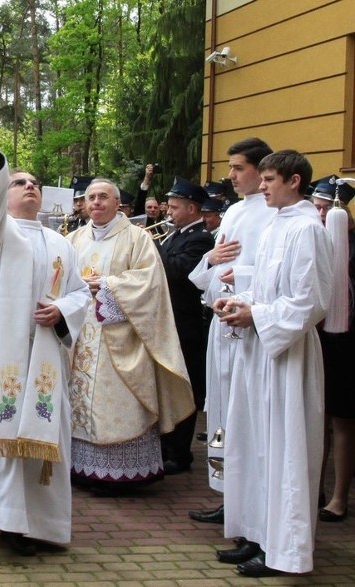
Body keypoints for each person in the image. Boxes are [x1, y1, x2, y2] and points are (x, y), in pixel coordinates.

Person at [0, 99, 90, 555]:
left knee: (42, 432)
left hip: (43, 351)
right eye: (20, 182)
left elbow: (81, 292)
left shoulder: (62, 243)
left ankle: (29, 520)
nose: (30, 188)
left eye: (36, 184)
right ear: (5, 194)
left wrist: (63, 310)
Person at [212, 149, 331, 577]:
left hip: (288, 356)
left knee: (284, 449)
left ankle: (287, 550)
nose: (261, 187)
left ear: (294, 181)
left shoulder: (307, 229)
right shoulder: (278, 226)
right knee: (256, 445)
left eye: (268, 180)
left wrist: (256, 316)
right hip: (260, 350)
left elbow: (311, 300)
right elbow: (266, 286)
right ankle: (258, 535)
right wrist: (238, 299)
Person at [67, 178, 195, 493]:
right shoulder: (73, 239)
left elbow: (150, 282)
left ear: (117, 203)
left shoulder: (138, 238)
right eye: (91, 197)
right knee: (79, 399)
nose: (95, 202)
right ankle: (80, 468)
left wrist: (109, 285)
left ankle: (119, 474)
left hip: (119, 334)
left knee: (117, 402)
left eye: (102, 197)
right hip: (82, 332)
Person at [187, 137, 275, 524]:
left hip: (250, 326)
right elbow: (212, 266)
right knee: (221, 411)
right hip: (220, 325)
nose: (231, 175)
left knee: (244, 415)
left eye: (238, 168)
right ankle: (228, 496)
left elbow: (271, 275)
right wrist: (211, 258)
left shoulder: (274, 214)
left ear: (261, 169)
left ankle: (249, 502)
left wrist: (234, 275)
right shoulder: (235, 210)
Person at [157, 180, 215, 474]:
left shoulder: (201, 239)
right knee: (167, 386)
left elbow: (182, 273)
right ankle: (166, 446)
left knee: (184, 387)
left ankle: (180, 453)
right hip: (170, 322)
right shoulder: (174, 236)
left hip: (187, 324)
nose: (169, 211)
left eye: (175, 207)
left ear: (192, 208)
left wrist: (152, 248)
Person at [309, 176, 355, 523]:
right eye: (318, 207)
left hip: (347, 343)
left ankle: (339, 496)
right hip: (317, 338)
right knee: (316, 418)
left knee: (341, 420)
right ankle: (315, 488)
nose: (321, 214)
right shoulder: (311, 240)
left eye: (326, 208)